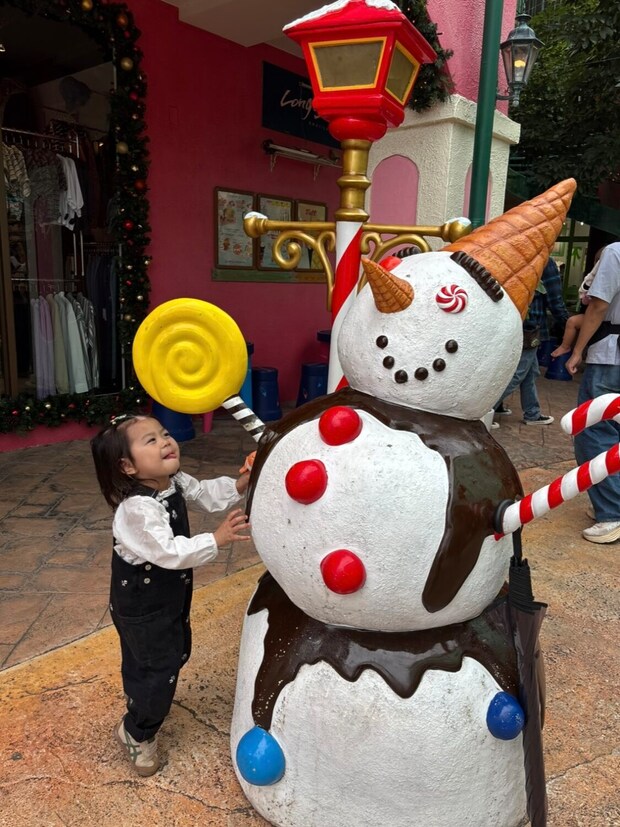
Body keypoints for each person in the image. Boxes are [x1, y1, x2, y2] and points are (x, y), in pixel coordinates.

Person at [91, 413, 252, 776]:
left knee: (163, 655)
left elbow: (204, 494)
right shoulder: (137, 509)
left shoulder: (172, 481)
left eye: (164, 434)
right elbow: (169, 552)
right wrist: (216, 539)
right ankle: (137, 731)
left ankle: (143, 694)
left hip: (163, 599)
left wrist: (242, 482)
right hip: (141, 606)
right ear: (127, 466)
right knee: (157, 667)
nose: (165, 441)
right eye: (150, 440)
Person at [566, 241, 620, 543]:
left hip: (612, 356)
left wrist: (578, 350)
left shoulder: (615, 252)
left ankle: (613, 511)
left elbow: (598, 306)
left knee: (593, 431)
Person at [493, 257, 569, 427]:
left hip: (510, 321)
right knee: (518, 372)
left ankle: (532, 413)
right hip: (531, 326)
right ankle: (485, 410)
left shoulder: (513, 257)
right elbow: (555, 300)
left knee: (530, 371)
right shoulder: (545, 262)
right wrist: (568, 326)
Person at [551, 250, 604, 358]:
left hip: (602, 318)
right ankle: (570, 348)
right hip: (602, 318)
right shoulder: (596, 279)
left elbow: (586, 300)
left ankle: (565, 346)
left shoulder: (597, 280)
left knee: (572, 322)